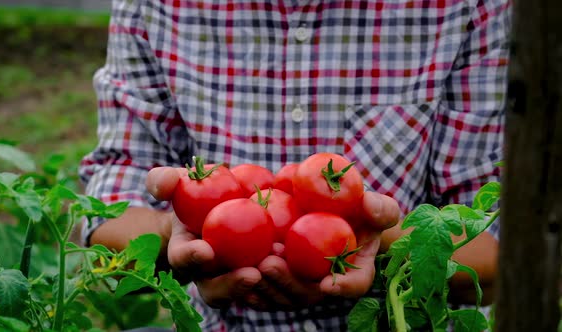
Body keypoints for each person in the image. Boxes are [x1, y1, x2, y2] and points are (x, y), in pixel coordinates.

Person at [79, 0, 511, 330]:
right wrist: (176, 234)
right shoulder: (154, 6)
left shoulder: (465, 7)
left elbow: (497, 248)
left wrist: (381, 243)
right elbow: (104, 206)